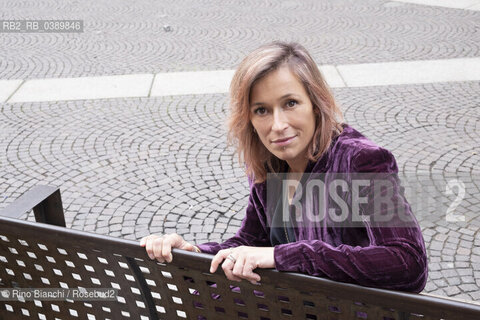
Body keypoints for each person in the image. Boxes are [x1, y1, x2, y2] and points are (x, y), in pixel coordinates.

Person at [140, 41, 428, 293]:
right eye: (262, 110)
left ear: (316, 104)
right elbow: (252, 242)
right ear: (249, 119)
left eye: (290, 103)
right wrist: (194, 252)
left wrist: (285, 256)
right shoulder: (271, 166)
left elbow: (408, 262)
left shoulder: (359, 161)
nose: (277, 126)